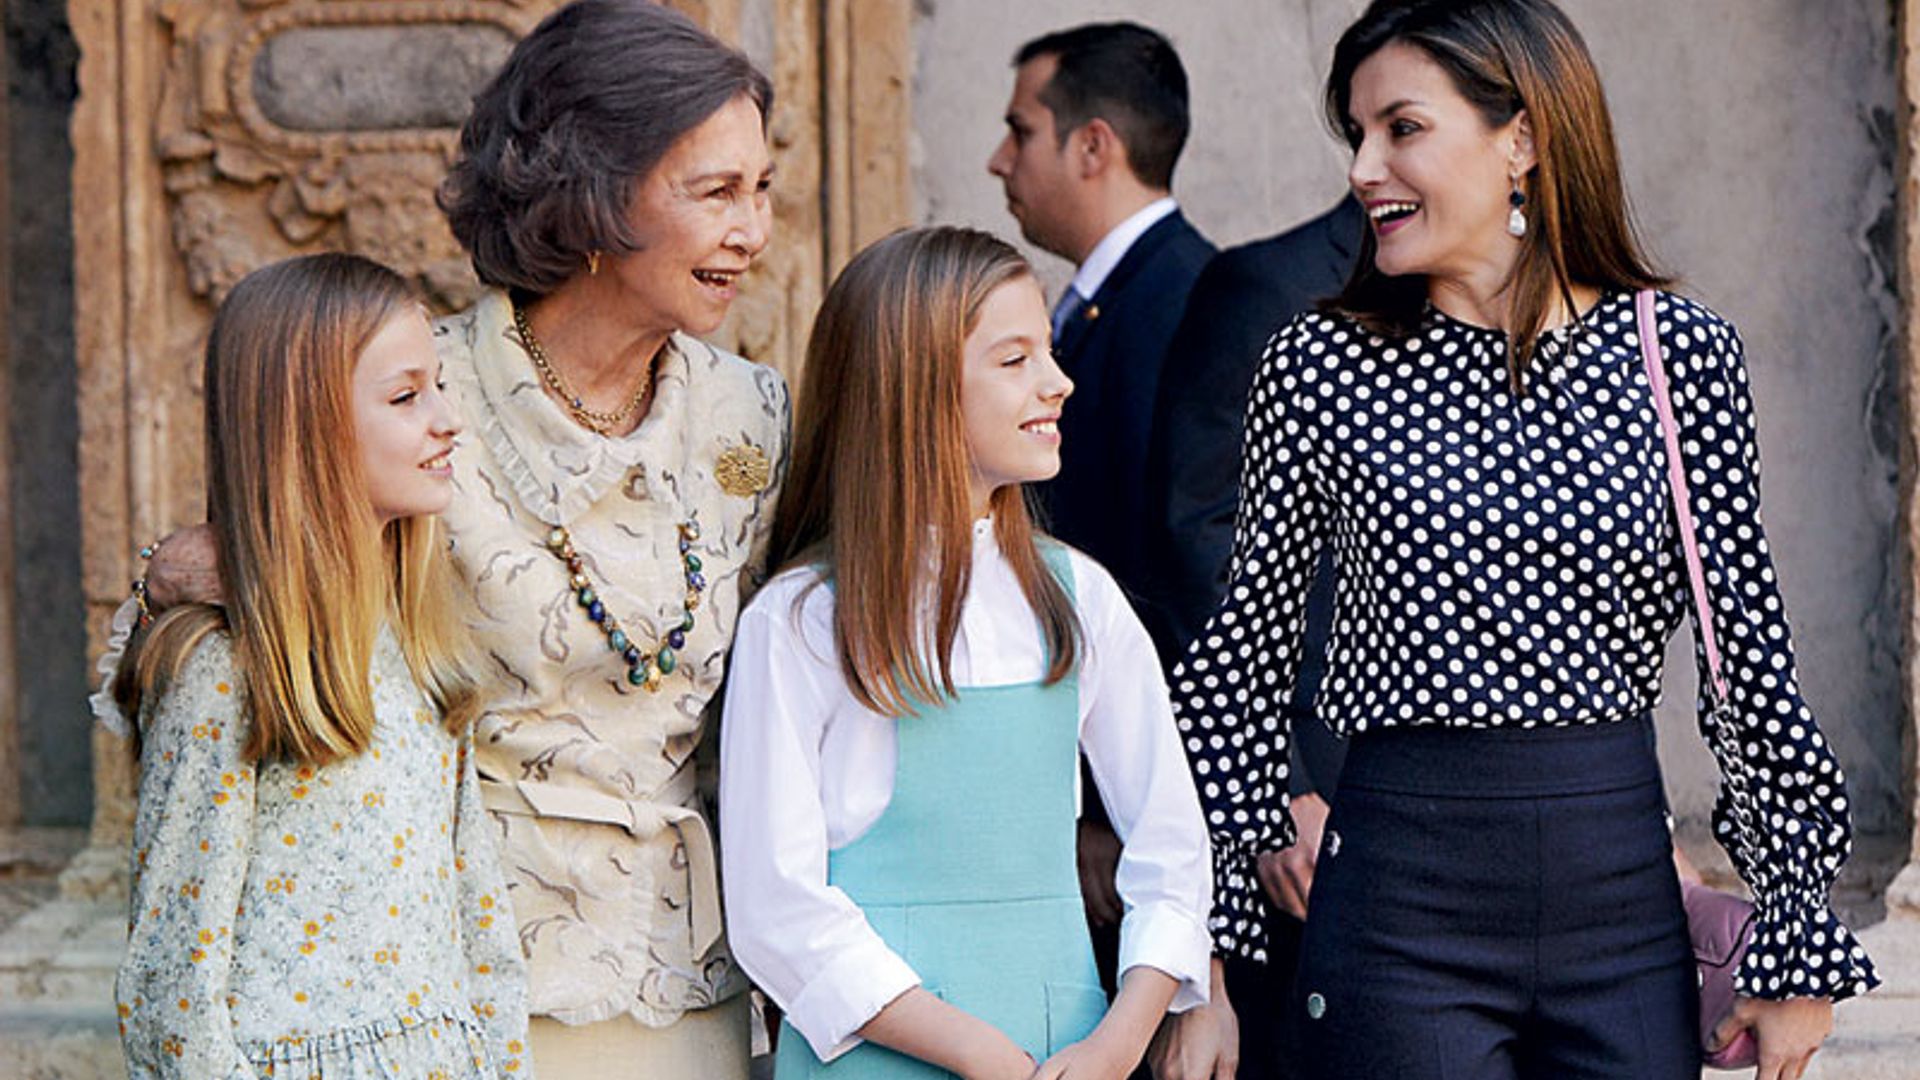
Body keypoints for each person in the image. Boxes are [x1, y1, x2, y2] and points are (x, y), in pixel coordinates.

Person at [1169, 2, 1880, 1079]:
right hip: (1398, 906)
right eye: (1354, 133)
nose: (1365, 168)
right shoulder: (1320, 364)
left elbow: (1750, 669)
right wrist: (1212, 963)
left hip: (1622, 907)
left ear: (1525, 138)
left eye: (1401, 128)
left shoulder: (1675, 355)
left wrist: (1795, 942)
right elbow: (1236, 676)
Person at [111, 2, 790, 1073]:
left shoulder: (758, 415)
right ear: (597, 197)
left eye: (761, 190)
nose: (752, 229)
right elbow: (263, 600)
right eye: (715, 193)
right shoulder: (412, 391)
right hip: (454, 996)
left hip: (691, 977)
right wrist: (187, 572)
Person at [718, 226, 1213, 1080]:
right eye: (1014, 359)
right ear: (915, 390)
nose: (1058, 384)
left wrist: (1118, 1042)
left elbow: (1173, 849)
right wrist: (982, 1055)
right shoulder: (802, 621)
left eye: (1048, 354)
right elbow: (775, 908)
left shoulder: (1079, 598)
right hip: (874, 1059)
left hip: (1069, 1051)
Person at [111, 253, 530, 1078]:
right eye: (407, 397)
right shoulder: (225, 671)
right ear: (306, 427)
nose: (447, 419)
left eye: (438, 386)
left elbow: (479, 918)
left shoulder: (418, 644)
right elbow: (172, 981)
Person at [985, 21, 1216, 1013]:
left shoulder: (1187, 302)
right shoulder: (1089, 308)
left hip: (1142, 831)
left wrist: (1110, 810)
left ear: (1093, 146)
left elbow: (1186, 576)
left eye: (1020, 131)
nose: (999, 158)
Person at [1142, 199, 1361, 1080]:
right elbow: (1200, 544)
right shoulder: (1270, 289)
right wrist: (1275, 790)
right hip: (1319, 811)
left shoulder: (1560, 304)